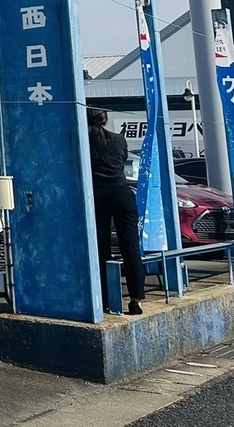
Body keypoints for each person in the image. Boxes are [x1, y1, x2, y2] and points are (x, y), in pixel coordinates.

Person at [88, 107, 144, 315]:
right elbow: (122, 160)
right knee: (130, 247)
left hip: (97, 197)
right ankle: (136, 299)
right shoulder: (119, 140)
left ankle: (104, 298)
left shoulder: (84, 140)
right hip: (122, 194)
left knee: (101, 247)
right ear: (105, 120)